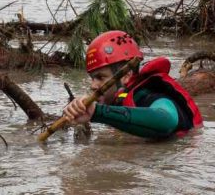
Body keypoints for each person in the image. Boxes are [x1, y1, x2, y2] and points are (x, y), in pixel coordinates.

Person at [63, 30, 203, 139]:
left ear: (126, 75)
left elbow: (168, 120)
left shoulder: (147, 94)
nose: (93, 86)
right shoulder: (120, 97)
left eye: (100, 77)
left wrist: (97, 112)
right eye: (92, 78)